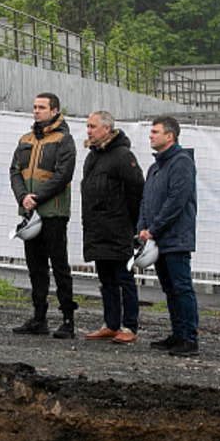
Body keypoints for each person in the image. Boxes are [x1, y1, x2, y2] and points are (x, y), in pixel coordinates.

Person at [8, 93, 78, 338]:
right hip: (30, 213)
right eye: (34, 107)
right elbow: (15, 171)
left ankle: (68, 319)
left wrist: (36, 197)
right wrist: (22, 198)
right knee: (35, 267)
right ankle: (39, 318)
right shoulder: (25, 139)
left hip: (54, 212)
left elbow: (63, 175)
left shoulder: (64, 140)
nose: (36, 111)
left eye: (42, 107)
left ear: (55, 111)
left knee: (59, 266)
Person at [80, 110, 145, 344]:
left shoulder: (122, 156)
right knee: (105, 279)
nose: (88, 131)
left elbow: (137, 190)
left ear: (107, 129)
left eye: (92, 127)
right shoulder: (92, 156)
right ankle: (111, 323)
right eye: (87, 126)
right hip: (97, 229)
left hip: (118, 228)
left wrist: (133, 225)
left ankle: (129, 325)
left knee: (123, 279)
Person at [137, 115, 199, 357]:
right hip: (158, 238)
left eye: (155, 132)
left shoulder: (181, 163)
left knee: (182, 287)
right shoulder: (155, 167)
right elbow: (145, 200)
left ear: (169, 136)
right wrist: (143, 226)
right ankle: (178, 333)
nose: (150, 136)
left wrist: (155, 227)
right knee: (170, 289)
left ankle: (189, 338)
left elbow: (177, 200)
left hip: (175, 237)